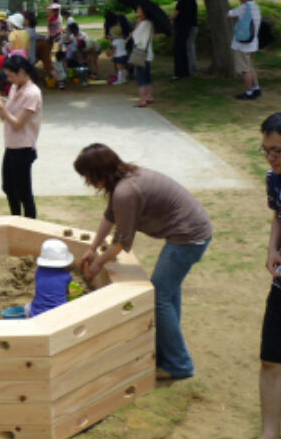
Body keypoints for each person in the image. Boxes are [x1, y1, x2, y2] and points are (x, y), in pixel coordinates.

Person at [73, 143, 212, 381]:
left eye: (88, 177)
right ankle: (168, 351)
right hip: (189, 232)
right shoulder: (123, 178)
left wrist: (98, 265)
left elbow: (121, 243)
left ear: (98, 174)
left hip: (189, 237)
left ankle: (179, 365)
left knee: (158, 297)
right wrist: (92, 248)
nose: (87, 182)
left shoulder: (126, 191)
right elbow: (110, 216)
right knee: (167, 294)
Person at [227, 113, 281, 439]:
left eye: (278, 150)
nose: (271, 158)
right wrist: (273, 249)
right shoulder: (274, 178)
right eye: (265, 150)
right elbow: (279, 214)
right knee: (272, 360)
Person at [0, 55, 42, 219]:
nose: (9, 80)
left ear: (22, 72)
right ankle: (15, 218)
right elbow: (4, 116)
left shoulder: (32, 93)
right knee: (9, 188)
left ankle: (30, 224)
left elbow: (17, 123)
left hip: (23, 147)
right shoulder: (16, 88)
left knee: (24, 192)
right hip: (11, 146)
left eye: (11, 75)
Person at [229, 0, 263, 100]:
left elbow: (229, 14)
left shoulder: (243, 7)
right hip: (253, 43)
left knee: (245, 70)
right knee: (251, 67)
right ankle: (256, 88)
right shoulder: (256, 7)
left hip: (243, 44)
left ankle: (248, 92)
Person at [25, 239, 73, 317]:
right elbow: (67, 293)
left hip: (36, 314)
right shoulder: (66, 276)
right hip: (59, 314)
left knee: (27, 306)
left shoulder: (39, 272)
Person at [171, 0, 198, 80]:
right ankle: (188, 69)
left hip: (181, 28)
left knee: (180, 50)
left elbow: (175, 15)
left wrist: (170, 19)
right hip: (190, 27)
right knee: (189, 47)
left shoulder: (181, 1)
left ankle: (178, 72)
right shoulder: (192, 0)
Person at [130, 4, 156, 107]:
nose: (137, 10)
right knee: (147, 76)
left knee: (140, 77)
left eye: (139, 9)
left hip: (140, 52)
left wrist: (136, 26)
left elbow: (135, 37)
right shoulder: (150, 23)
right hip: (148, 52)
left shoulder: (144, 23)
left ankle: (142, 99)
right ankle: (149, 96)